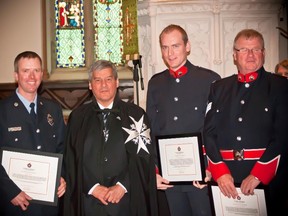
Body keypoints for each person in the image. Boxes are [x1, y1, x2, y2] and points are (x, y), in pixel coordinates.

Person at [204, 29, 288, 215]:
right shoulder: (218, 88)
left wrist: (259, 173)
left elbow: (283, 135)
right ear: (235, 55)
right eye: (243, 50)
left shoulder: (281, 87)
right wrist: (219, 171)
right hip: (226, 180)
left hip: (268, 179)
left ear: (263, 53)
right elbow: (208, 132)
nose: (250, 55)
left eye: (255, 49)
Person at [62, 60, 158, 216]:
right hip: (88, 200)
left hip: (126, 201)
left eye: (108, 79)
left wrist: (122, 186)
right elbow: (71, 159)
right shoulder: (78, 118)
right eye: (97, 80)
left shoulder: (136, 115)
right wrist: (93, 187)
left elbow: (144, 158)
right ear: (90, 85)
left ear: (117, 82)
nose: (103, 85)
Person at [146, 24, 221, 216]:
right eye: (165, 47)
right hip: (169, 176)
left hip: (201, 175)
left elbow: (216, 130)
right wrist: (155, 169)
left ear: (187, 46)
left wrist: (212, 168)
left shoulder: (210, 80)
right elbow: (152, 130)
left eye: (175, 46)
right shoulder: (155, 83)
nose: (170, 53)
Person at [0, 51, 66, 216]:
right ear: (16, 75)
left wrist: (62, 176)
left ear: (41, 75)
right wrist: (10, 191)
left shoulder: (53, 109)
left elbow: (62, 148)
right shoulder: (2, 111)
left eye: (36, 70)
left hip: (48, 204)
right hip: (15, 204)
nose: (32, 76)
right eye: (25, 70)